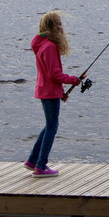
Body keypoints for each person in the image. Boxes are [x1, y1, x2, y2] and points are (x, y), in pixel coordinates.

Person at [25, 11, 84, 178]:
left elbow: (50, 75)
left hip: (47, 90)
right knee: (52, 127)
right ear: (49, 27)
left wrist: (62, 91)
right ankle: (41, 166)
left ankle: (32, 160)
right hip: (48, 91)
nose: (60, 27)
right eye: (57, 24)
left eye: (60, 23)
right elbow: (54, 75)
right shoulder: (49, 46)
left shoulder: (43, 44)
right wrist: (73, 80)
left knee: (49, 125)